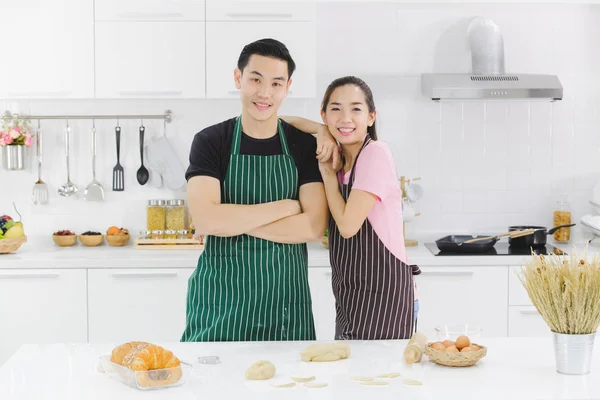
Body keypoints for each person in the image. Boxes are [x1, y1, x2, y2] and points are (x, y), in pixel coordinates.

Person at [181, 38, 328, 342]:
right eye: (255, 80)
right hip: (220, 304)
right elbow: (207, 220)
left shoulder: (303, 145)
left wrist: (232, 223)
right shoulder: (211, 141)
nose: (264, 93)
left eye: (276, 83)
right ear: (239, 78)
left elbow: (314, 226)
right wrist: (285, 208)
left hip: (285, 305)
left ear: (287, 87)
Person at [283, 76, 420, 340]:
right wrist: (322, 131)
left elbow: (346, 226)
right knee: (352, 378)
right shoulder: (344, 163)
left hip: (385, 298)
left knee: (380, 378)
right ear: (324, 115)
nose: (345, 118)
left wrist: (326, 174)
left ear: (371, 117)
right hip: (350, 294)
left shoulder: (376, 153)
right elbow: (281, 122)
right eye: (335, 109)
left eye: (356, 109)